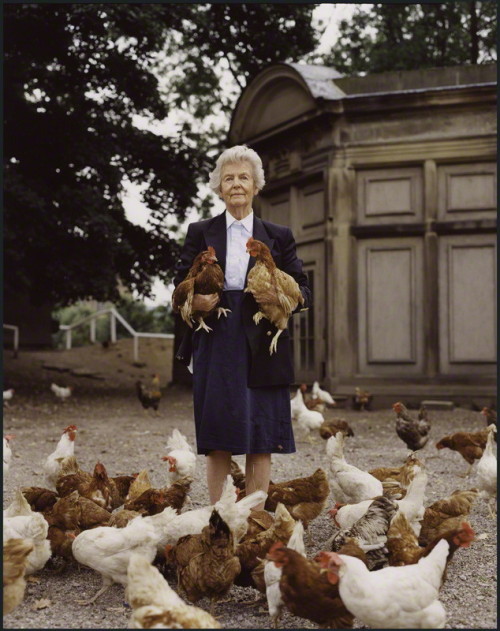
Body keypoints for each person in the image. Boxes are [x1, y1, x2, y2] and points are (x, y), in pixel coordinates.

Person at [173, 145, 311, 510]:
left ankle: (253, 518)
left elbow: (304, 289)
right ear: (219, 188)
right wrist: (195, 303)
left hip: (263, 337)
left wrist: (279, 300)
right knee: (218, 431)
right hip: (215, 337)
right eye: (229, 178)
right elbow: (178, 285)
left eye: (244, 177)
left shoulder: (278, 235)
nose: (236, 184)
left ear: (256, 186)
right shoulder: (200, 231)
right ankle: (219, 515)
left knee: (260, 434)